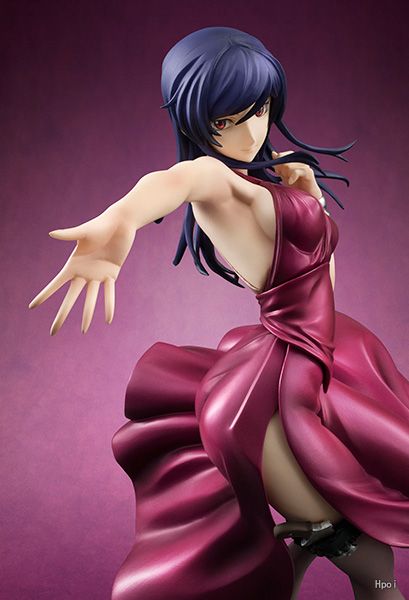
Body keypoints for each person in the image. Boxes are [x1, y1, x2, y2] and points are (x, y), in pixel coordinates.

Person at [30, 27, 409, 600]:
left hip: (329, 352)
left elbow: (321, 280)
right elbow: (171, 181)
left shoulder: (268, 175)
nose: (251, 131)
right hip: (277, 381)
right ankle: (307, 549)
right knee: (368, 557)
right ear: (196, 123)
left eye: (260, 109)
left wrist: (311, 197)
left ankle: (300, 551)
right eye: (226, 120)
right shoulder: (215, 179)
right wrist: (119, 221)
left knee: (357, 527)